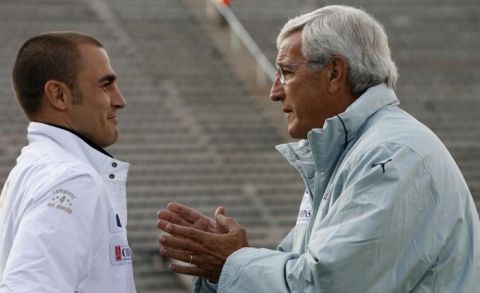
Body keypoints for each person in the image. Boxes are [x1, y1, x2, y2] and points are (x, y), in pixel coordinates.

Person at [157, 5, 480, 292]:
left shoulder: (390, 155)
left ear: (335, 73)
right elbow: (305, 268)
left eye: (286, 72)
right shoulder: (355, 151)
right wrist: (225, 263)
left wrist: (234, 261)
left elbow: (328, 285)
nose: (274, 92)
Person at [0, 32, 136, 292]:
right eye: (105, 85)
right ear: (58, 95)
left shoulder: (38, 167)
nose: (120, 100)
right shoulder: (70, 179)